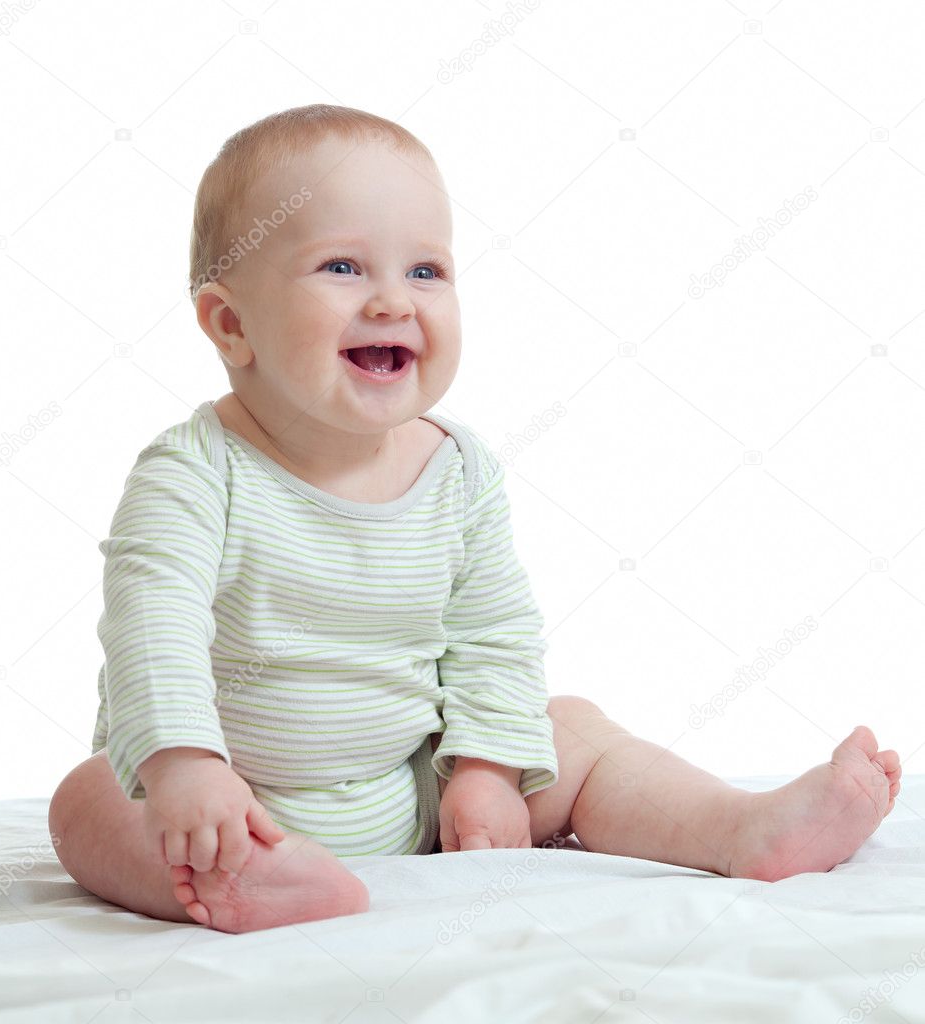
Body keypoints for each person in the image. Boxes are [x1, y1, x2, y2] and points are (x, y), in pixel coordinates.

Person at [48, 104, 902, 935]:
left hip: (421, 792)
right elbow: (150, 625)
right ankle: (250, 881)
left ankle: (738, 827)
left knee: (575, 727)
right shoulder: (195, 472)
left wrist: (488, 770)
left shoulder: (457, 471)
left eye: (426, 271)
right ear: (231, 325)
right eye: (343, 267)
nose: (393, 300)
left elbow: (492, 632)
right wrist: (185, 768)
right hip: (235, 804)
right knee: (89, 801)